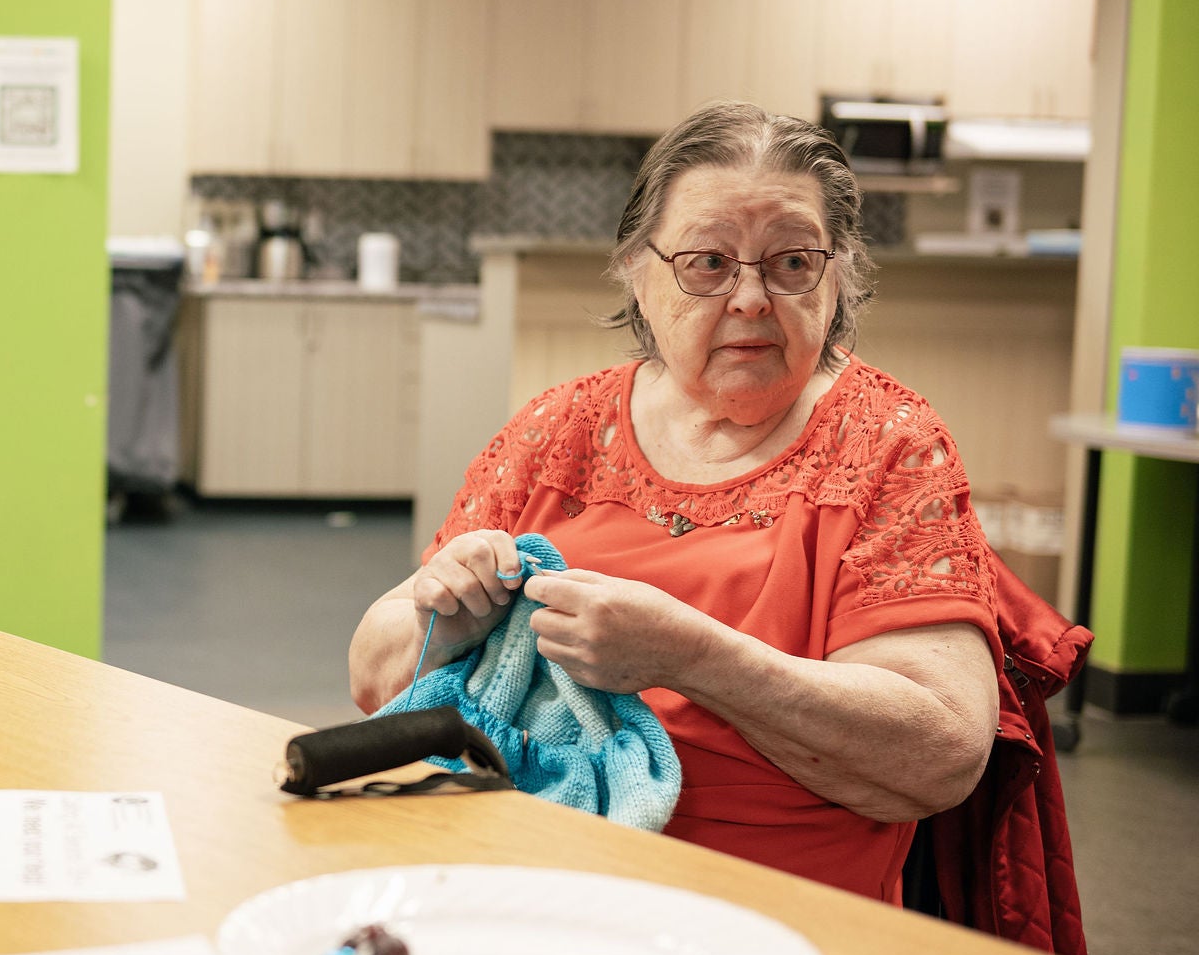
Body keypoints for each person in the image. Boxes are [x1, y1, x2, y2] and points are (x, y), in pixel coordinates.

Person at [348, 101, 1002, 903]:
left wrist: (693, 658)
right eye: (708, 263)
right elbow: (375, 678)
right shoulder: (560, 431)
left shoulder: (888, 446)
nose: (753, 298)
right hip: (529, 871)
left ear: (839, 276)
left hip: (769, 910)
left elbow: (942, 755)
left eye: (793, 262)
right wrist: (443, 624)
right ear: (638, 270)